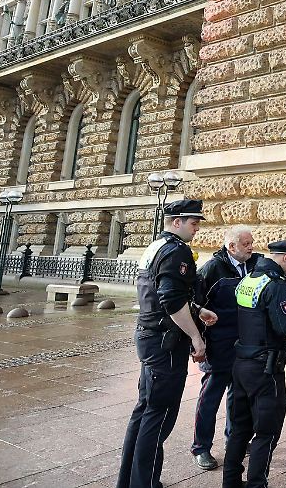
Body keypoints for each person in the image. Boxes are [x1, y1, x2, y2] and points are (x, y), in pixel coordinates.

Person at [118, 200, 215, 488]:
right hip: (165, 343)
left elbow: (161, 293)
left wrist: (197, 310)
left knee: (144, 410)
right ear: (177, 222)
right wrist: (196, 337)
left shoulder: (155, 247)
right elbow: (171, 300)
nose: (196, 229)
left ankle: (130, 481)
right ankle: (144, 483)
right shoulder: (177, 251)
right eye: (193, 223)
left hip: (149, 337)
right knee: (158, 416)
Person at [222, 240, 286, 488]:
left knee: (240, 428)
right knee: (266, 431)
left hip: (241, 364)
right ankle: (256, 483)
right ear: (285, 257)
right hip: (266, 368)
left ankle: (230, 481)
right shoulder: (276, 285)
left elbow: (256, 315)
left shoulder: (250, 278)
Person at [190, 225, 263, 471]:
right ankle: (201, 448)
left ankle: (235, 441)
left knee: (239, 398)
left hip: (244, 346)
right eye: (246, 244)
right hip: (218, 347)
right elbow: (194, 306)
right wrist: (197, 342)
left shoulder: (255, 266)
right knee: (210, 398)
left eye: (251, 242)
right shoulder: (212, 269)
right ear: (231, 247)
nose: (251, 247)